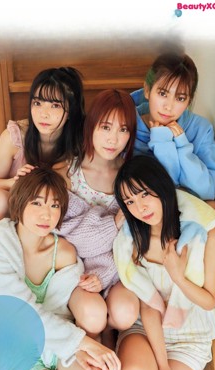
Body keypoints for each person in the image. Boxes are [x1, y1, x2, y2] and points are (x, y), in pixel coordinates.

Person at [0, 167, 120, 370]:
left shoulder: (62, 251)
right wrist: (83, 342)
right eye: (37, 203)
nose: (47, 214)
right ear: (19, 202)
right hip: (18, 350)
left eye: (55, 205)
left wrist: (78, 346)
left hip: (58, 344)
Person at [112, 155, 215, 370]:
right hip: (146, 327)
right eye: (130, 201)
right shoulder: (132, 240)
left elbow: (209, 301)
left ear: (162, 186)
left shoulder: (205, 233)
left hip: (190, 334)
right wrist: (162, 367)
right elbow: (148, 305)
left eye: (144, 194)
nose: (140, 207)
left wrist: (178, 277)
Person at [53, 89, 138, 339]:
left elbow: (130, 243)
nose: (113, 139)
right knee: (93, 315)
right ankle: (94, 334)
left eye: (123, 130)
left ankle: (109, 331)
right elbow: (67, 237)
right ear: (91, 126)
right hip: (76, 273)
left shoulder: (132, 178)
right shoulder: (67, 174)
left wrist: (104, 275)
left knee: (126, 312)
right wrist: (113, 222)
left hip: (114, 271)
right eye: (106, 127)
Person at [0, 67, 85, 221]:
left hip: (54, 216)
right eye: (37, 103)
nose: (43, 114)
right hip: (18, 211)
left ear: (71, 110)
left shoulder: (81, 140)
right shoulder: (14, 137)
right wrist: (16, 182)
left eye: (55, 105)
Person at [131, 51, 215, 201]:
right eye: (163, 94)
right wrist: (162, 141)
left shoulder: (201, 129)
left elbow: (207, 192)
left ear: (189, 101)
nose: (169, 106)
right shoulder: (126, 123)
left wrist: (183, 146)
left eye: (180, 98)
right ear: (147, 90)